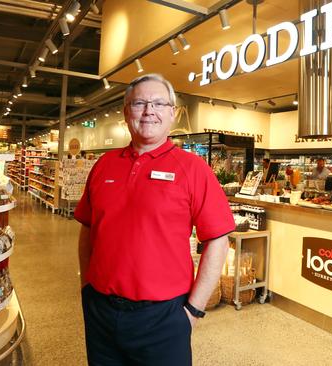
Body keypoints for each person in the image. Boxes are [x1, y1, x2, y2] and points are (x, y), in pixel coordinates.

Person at [75, 74, 234, 365]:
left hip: (163, 318)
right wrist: (87, 288)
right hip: (100, 312)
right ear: (126, 112)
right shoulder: (104, 165)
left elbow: (218, 240)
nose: (149, 110)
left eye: (159, 103)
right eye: (139, 103)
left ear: (172, 113)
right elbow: (88, 229)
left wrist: (193, 312)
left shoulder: (193, 169)